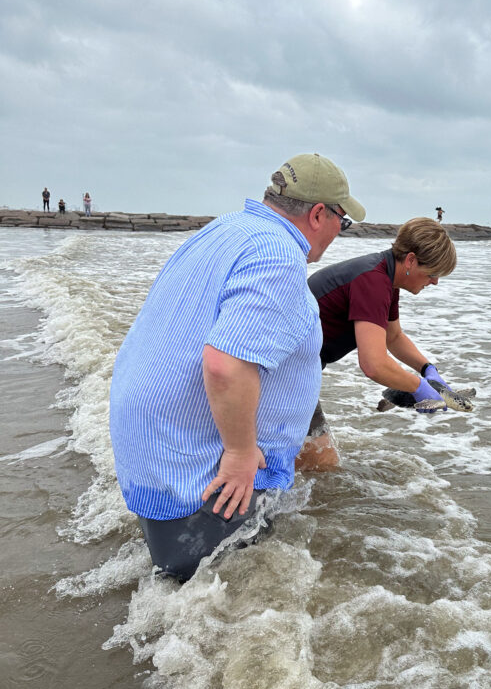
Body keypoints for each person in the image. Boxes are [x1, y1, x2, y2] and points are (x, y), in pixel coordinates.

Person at [109, 153, 365, 582]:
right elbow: (226, 364)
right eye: (344, 220)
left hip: (152, 443)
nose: (342, 231)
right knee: (219, 591)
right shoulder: (279, 256)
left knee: (176, 579)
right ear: (319, 213)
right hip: (192, 459)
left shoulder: (224, 229)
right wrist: (241, 454)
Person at [297, 218, 458, 470]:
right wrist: (418, 387)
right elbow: (373, 364)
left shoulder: (385, 277)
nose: (435, 281)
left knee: (304, 462)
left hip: (296, 368)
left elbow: (392, 337)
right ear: (411, 260)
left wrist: (427, 368)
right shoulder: (373, 281)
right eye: (433, 273)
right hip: (282, 370)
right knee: (322, 466)